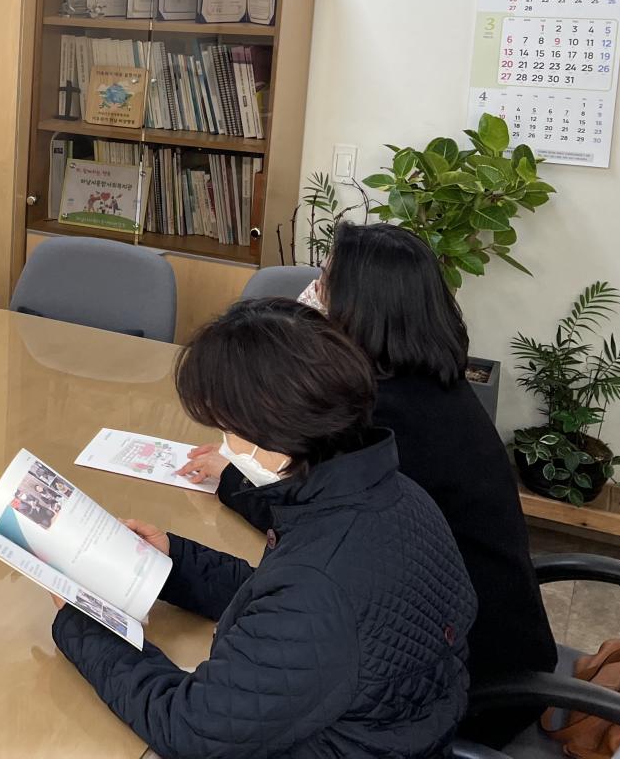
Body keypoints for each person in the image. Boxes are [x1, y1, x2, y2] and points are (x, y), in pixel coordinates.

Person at [179, 222, 557, 745]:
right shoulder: (429, 382)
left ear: (364, 305)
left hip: (459, 679)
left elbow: (319, 516)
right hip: (467, 634)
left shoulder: (386, 416)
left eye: (325, 282)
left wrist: (232, 477)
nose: (310, 293)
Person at [53, 298, 475, 759]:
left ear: (277, 430)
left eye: (228, 428)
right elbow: (279, 601)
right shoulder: (389, 495)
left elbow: (189, 728)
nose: (225, 444)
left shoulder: (319, 586)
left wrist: (84, 622)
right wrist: (171, 562)